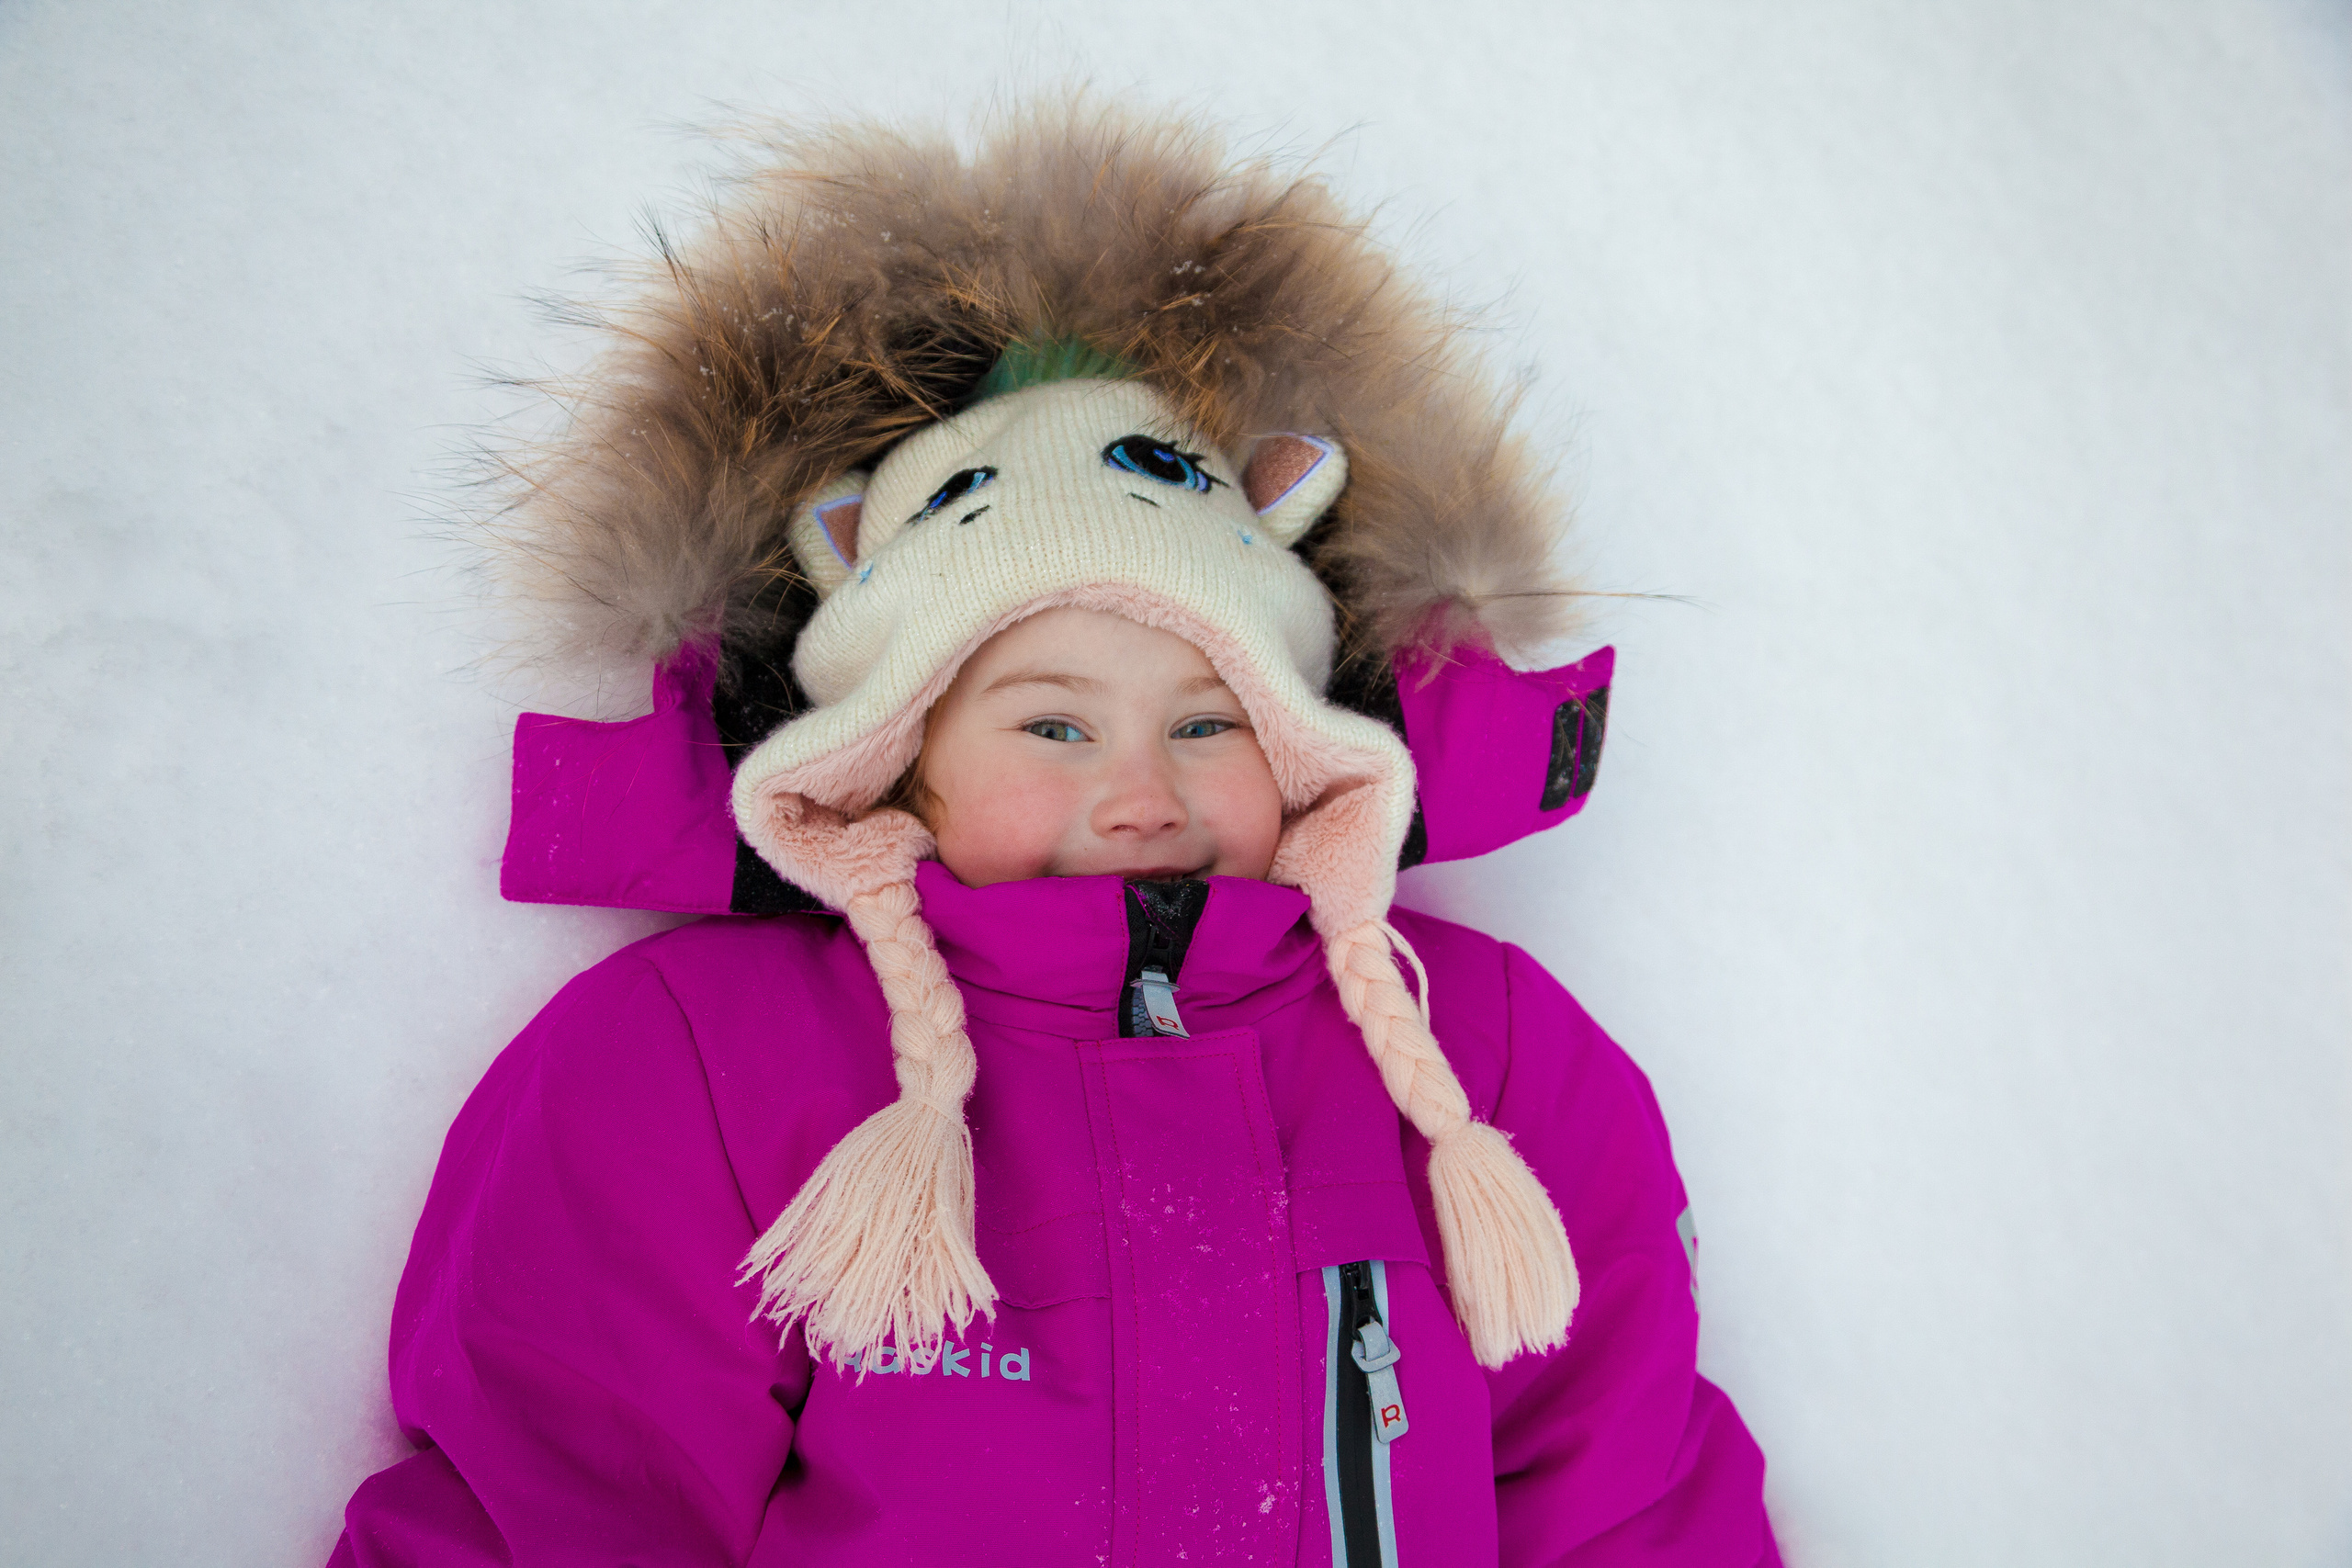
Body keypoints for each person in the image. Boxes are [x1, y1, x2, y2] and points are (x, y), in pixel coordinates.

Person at [329, 104, 1780, 1566]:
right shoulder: (695, 1066)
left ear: (1304, 748)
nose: (1142, 792)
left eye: (1208, 723)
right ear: (895, 759)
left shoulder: (1490, 1059)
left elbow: (1627, 1502)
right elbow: (560, 1495)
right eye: (1054, 727)